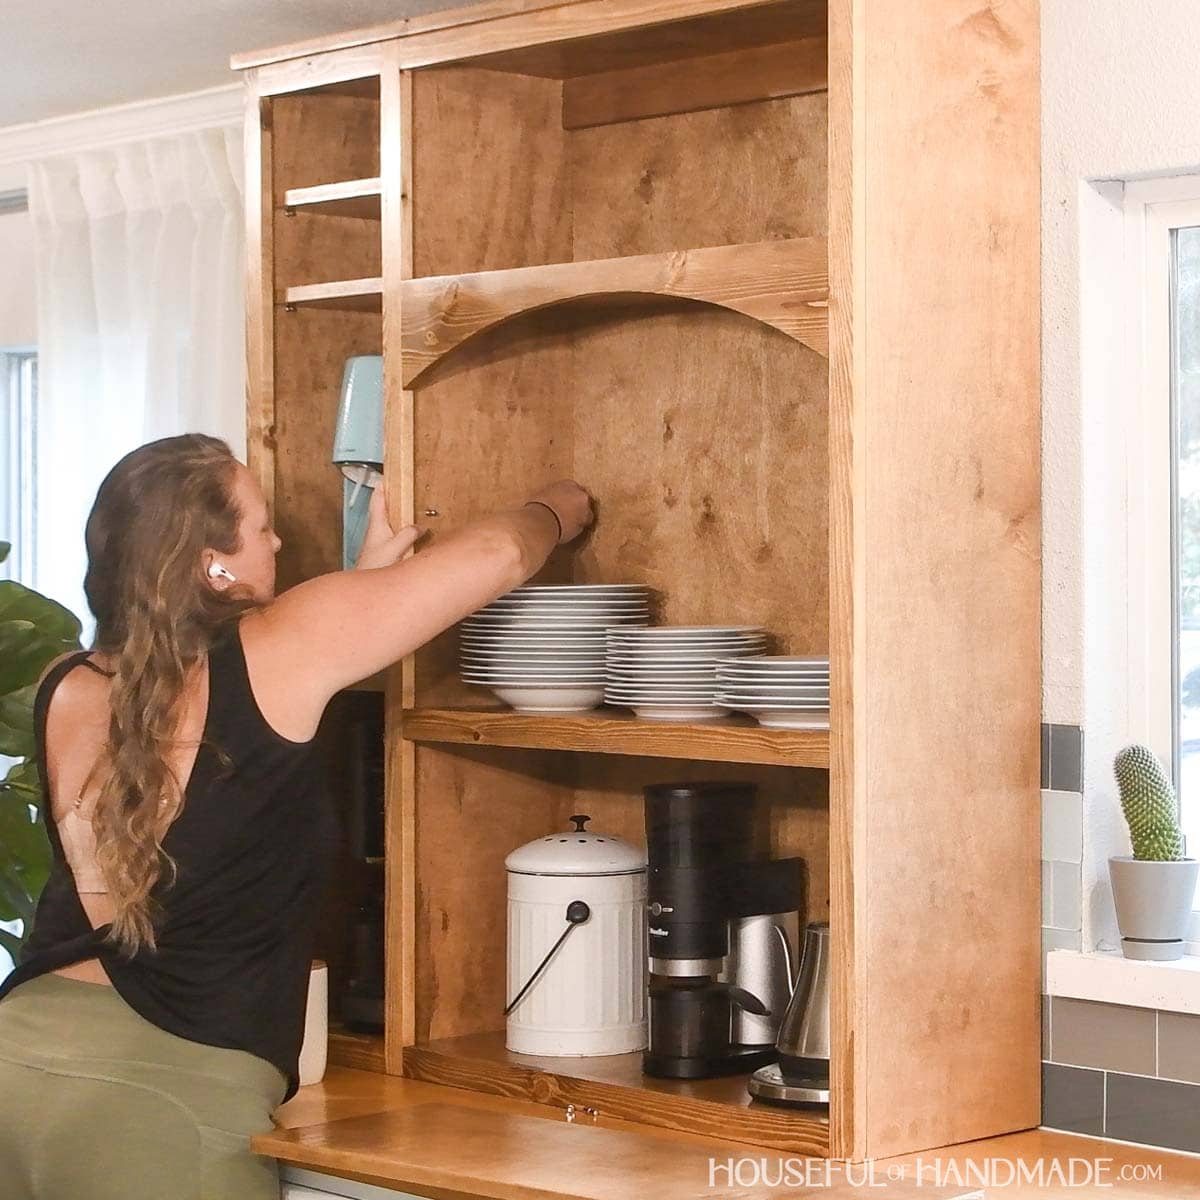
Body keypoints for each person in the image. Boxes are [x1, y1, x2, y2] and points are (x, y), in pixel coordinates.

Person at [0, 433, 592, 1200]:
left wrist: (364, 585)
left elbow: (239, 710)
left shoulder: (66, 684)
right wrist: (560, 505)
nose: (278, 538)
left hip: (17, 1065)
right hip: (162, 1106)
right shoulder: (282, 648)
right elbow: (500, 556)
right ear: (214, 563)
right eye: (261, 523)